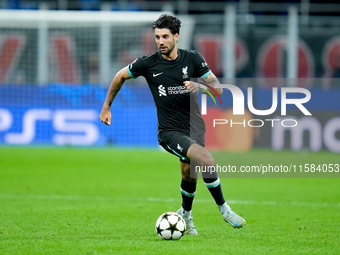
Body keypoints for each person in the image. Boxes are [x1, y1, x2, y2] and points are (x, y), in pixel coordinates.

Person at [99, 14, 246, 235]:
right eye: (157, 37)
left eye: (165, 36)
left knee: (189, 171)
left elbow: (218, 87)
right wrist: (106, 107)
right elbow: (120, 76)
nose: (160, 41)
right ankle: (225, 209)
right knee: (206, 159)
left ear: (176, 36)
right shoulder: (147, 63)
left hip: (195, 128)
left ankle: (186, 216)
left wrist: (200, 86)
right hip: (169, 132)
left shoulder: (193, 59)